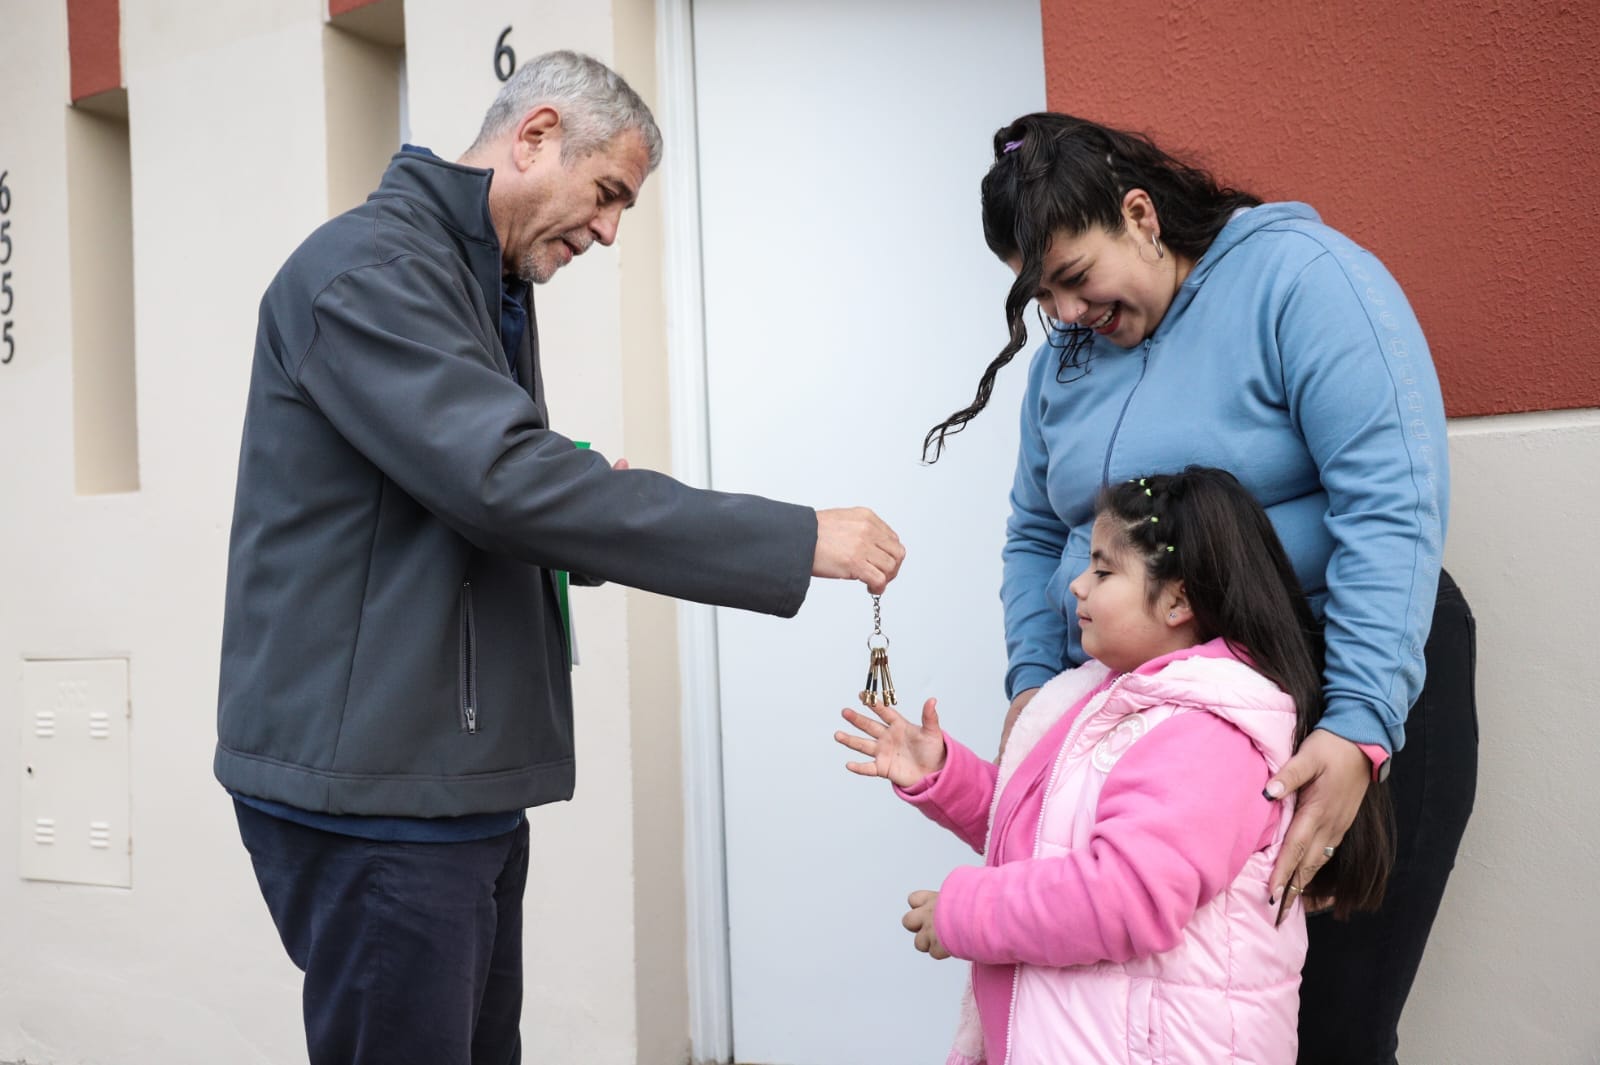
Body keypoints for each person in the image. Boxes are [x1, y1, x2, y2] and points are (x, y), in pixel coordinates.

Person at [214, 50, 904, 1065]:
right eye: (609, 192)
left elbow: (476, 486)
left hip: (446, 782)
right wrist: (794, 538)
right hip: (378, 793)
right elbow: (502, 483)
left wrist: (560, 502)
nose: (611, 229)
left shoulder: (471, 276)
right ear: (535, 136)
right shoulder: (370, 272)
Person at [921, 113, 1476, 1064]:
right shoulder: (1071, 354)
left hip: (1333, 685)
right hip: (1150, 715)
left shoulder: (1303, 281)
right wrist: (1035, 688)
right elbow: (1037, 530)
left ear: (1140, 215)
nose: (1062, 315)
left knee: (1330, 1028)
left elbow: (1393, 502)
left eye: (1072, 278)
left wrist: (1357, 728)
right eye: (1040, 293)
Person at [837, 468, 1392, 1064]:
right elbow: (1046, 831)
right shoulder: (1107, 701)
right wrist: (945, 774)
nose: (1077, 585)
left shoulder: (1207, 734)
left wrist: (967, 912)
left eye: (1103, 570)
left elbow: (1125, 898)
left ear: (1178, 599)